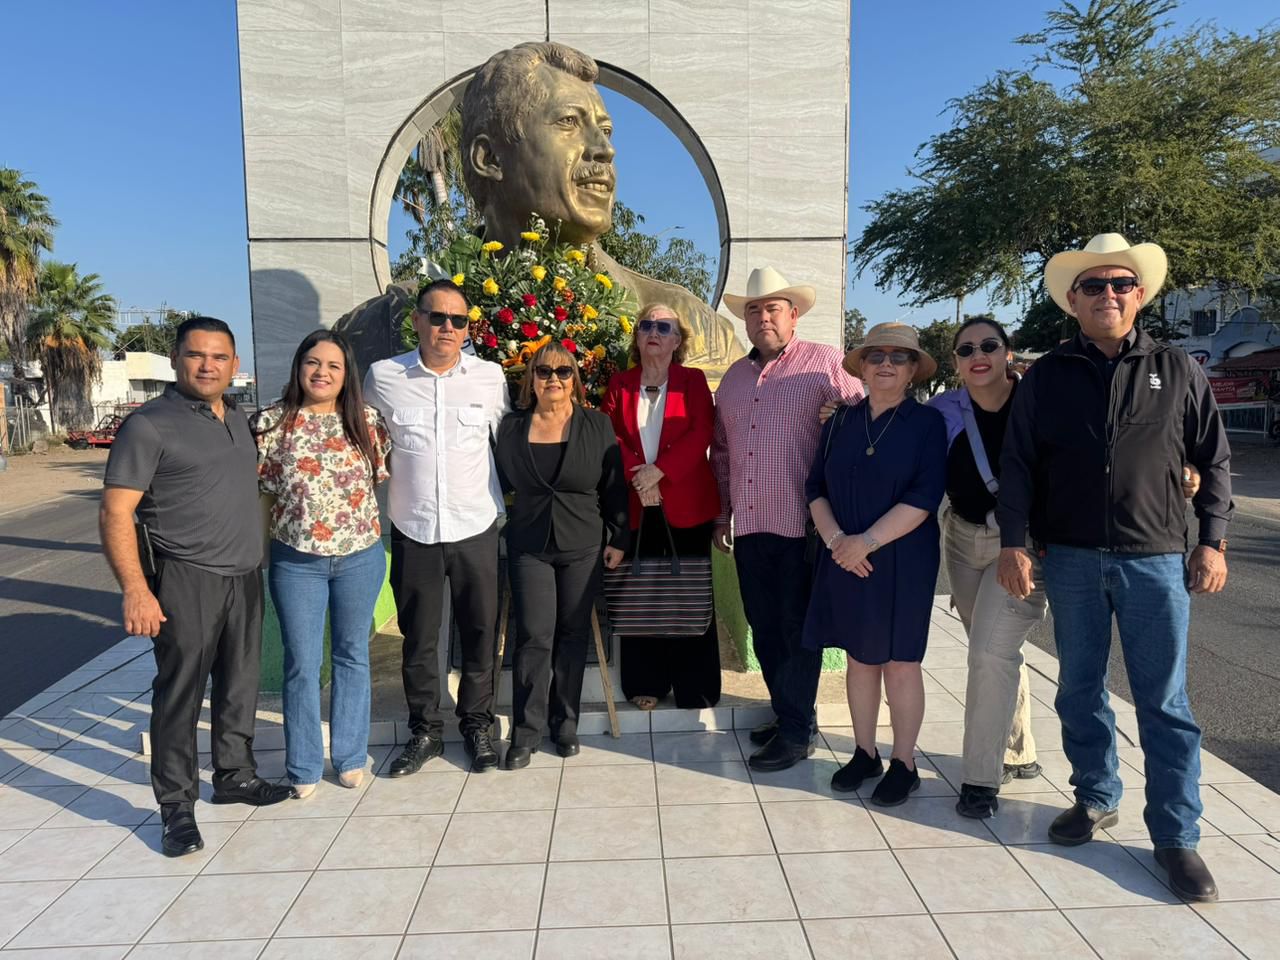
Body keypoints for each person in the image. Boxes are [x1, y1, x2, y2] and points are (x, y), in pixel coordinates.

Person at [997, 233, 1232, 902]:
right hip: (1069, 558)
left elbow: (1212, 459)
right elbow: (1018, 463)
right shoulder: (1047, 375)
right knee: (1079, 689)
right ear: (1073, 300)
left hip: (1155, 559)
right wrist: (1013, 541)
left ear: (1140, 295)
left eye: (1120, 284)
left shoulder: (1177, 369)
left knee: (1165, 702)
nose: (1108, 294)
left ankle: (1176, 836)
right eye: (1094, 286)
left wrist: (1212, 541)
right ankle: (1096, 796)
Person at [930, 317, 1204, 819]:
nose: (978, 356)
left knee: (990, 652)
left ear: (1008, 351)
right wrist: (839, 413)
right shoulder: (943, 410)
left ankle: (980, 780)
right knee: (991, 651)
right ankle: (1020, 749)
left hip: (1026, 545)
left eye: (989, 345)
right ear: (955, 362)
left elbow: (1108, 445)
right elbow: (899, 431)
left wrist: (1184, 474)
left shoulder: (1042, 392)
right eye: (965, 350)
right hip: (964, 542)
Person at [100, 317, 293, 859]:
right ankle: (176, 807)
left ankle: (234, 775)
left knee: (239, 683)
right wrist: (135, 589)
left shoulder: (238, 418)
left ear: (234, 364)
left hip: (244, 575)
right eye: (196, 355)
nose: (208, 366)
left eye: (219, 357)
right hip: (186, 576)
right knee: (180, 694)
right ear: (176, 359)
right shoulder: (148, 425)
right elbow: (115, 512)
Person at [711, 266, 864, 772]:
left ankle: (797, 732)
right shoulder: (733, 379)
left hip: (804, 527)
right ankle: (789, 713)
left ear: (793, 315)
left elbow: (868, 418)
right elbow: (724, 453)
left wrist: (842, 415)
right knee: (765, 626)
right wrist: (722, 515)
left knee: (797, 629)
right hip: (751, 526)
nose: (763, 318)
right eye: (754, 309)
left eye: (773, 308)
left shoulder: (825, 364)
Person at [363, 279, 510, 775]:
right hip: (415, 527)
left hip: (476, 525)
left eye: (458, 320)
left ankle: (477, 726)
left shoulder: (489, 377)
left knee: (480, 633)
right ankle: (424, 730)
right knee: (419, 638)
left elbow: (508, 442)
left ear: (468, 328)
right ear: (417, 321)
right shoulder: (384, 377)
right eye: (438, 316)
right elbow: (364, 440)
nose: (448, 327)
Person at [804, 322, 947, 805]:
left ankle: (904, 763)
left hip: (903, 559)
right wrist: (837, 542)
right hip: (845, 557)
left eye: (898, 357)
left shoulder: (927, 424)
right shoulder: (838, 422)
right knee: (860, 659)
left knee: (900, 662)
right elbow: (815, 487)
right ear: (862, 367)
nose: (886, 363)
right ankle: (864, 753)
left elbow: (925, 496)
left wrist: (865, 542)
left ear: (912, 370)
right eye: (876, 355)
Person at [251, 330, 391, 797]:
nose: (321, 373)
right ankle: (304, 765)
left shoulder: (367, 422)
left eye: (333, 365)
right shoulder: (271, 423)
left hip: (359, 558)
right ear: (298, 366)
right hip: (296, 562)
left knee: (352, 655)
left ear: (347, 374)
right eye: (313, 362)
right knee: (302, 663)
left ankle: (349, 757)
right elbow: (264, 494)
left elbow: (374, 483)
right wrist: (260, 555)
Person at [495, 342, 629, 767]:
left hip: (583, 544)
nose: (553, 378)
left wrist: (619, 537)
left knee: (573, 635)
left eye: (563, 371)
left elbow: (614, 486)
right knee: (534, 635)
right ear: (531, 379)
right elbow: (496, 482)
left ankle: (565, 723)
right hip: (529, 545)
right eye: (544, 371)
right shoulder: (511, 427)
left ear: (575, 379)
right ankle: (526, 731)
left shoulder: (597, 425)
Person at [600, 302, 721, 711]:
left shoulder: (693, 380)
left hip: (686, 504)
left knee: (689, 594)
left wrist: (660, 473)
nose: (654, 331)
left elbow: (702, 430)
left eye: (664, 327)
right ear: (637, 336)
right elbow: (610, 436)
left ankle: (695, 686)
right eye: (646, 325)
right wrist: (640, 477)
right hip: (637, 503)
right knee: (643, 594)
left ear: (677, 340)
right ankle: (645, 680)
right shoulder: (620, 383)